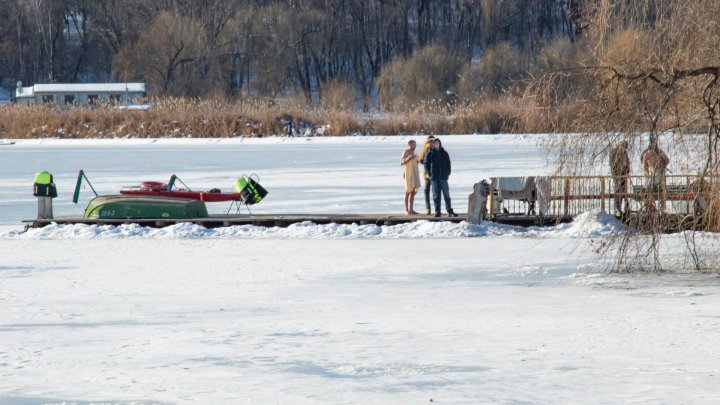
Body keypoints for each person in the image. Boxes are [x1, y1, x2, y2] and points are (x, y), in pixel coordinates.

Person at [424, 138, 458, 217]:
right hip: (434, 177)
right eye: (435, 143)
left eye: (438, 143)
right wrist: (430, 173)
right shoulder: (430, 153)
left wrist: (448, 172)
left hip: (443, 177)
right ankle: (437, 211)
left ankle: (449, 210)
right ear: (433, 144)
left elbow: (448, 163)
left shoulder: (444, 153)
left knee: (446, 194)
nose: (436, 144)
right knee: (436, 195)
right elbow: (426, 164)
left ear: (440, 144)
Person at [609, 140, 630, 218]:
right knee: (618, 193)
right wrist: (616, 173)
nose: (624, 149)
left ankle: (625, 210)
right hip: (617, 175)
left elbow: (627, 163)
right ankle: (618, 211)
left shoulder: (624, 153)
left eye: (625, 148)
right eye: (624, 147)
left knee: (624, 192)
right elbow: (612, 164)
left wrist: (627, 171)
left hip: (623, 175)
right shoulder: (614, 152)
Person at [400, 139, 421, 215]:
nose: (414, 146)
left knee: (413, 192)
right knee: (407, 191)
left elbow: (415, 162)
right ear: (409, 145)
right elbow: (402, 162)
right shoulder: (406, 151)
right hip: (408, 174)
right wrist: (408, 158)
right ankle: (406, 210)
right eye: (413, 145)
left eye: (415, 145)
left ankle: (411, 209)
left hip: (414, 173)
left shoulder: (413, 153)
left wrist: (417, 160)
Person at [417, 135, 435, 215]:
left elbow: (420, 160)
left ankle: (428, 209)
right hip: (436, 172)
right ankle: (437, 209)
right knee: (436, 191)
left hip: (427, 173)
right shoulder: (437, 146)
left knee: (426, 190)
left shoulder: (425, 147)